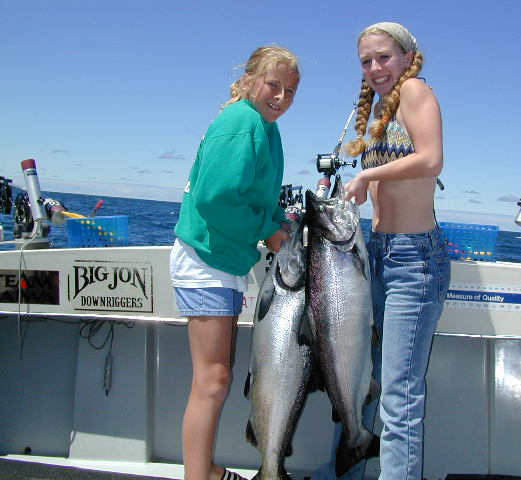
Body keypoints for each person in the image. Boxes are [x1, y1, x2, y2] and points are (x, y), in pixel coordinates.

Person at [311, 22, 451, 480]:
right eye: (366, 61)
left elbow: (431, 158)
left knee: (398, 394)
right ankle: (343, 473)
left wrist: (368, 175)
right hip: (378, 252)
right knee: (360, 378)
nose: (375, 68)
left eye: (384, 57)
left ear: (408, 57)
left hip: (415, 260)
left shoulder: (414, 91)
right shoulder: (378, 108)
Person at [169, 46, 300, 480]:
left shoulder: (265, 128)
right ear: (248, 81)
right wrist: (268, 231)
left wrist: (280, 223)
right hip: (206, 259)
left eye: (290, 91)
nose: (281, 97)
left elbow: (255, 197)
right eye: (273, 85)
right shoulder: (242, 123)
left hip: (225, 261)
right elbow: (216, 199)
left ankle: (206, 470)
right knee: (212, 381)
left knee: (218, 377)